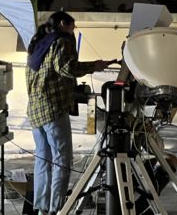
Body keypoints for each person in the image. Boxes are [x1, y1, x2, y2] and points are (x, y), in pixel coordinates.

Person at [26, 11, 112, 215]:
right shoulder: (62, 40)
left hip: (35, 110)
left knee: (43, 160)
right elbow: (65, 68)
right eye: (73, 26)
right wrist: (95, 66)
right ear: (64, 23)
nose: (74, 31)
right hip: (54, 109)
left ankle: (42, 208)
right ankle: (57, 208)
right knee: (61, 160)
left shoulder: (39, 42)